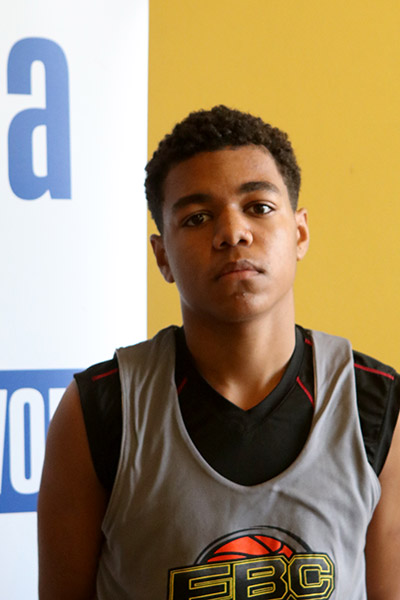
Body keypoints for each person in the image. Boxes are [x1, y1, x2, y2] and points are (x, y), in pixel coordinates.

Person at [38, 105, 400, 599]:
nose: (233, 233)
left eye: (259, 207)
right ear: (162, 255)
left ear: (300, 232)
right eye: (198, 217)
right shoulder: (101, 409)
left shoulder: (373, 402)